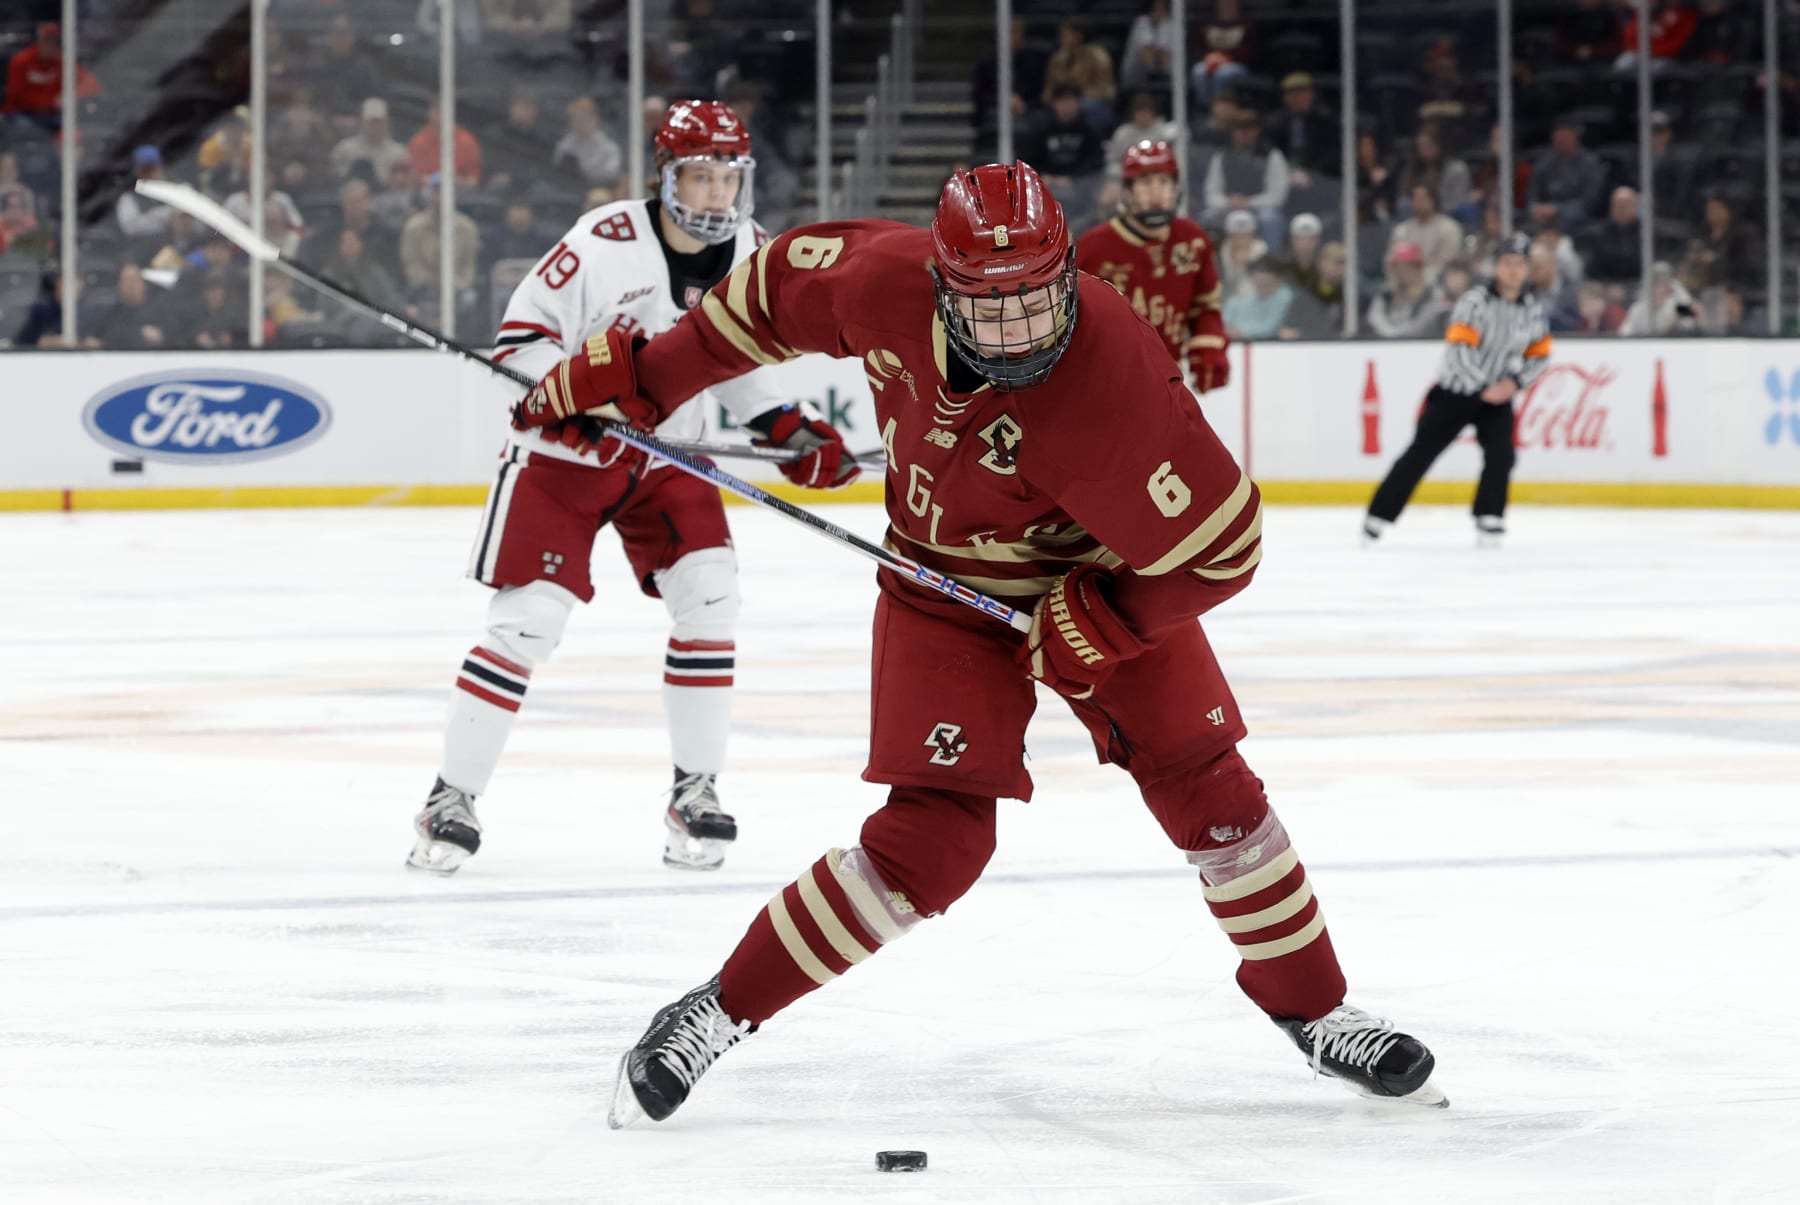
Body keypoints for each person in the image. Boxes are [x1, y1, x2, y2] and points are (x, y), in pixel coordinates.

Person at [516, 161, 1446, 1125]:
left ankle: (1318, 1010)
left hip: (1097, 578)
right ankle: (712, 1012)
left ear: (1067, 273)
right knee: (933, 843)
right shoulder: (886, 280)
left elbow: (1227, 547)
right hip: (940, 590)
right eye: (987, 307)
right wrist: (648, 379)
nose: (1016, 330)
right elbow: (767, 291)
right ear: (943, 285)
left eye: (1036, 301)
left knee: (1213, 789)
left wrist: (1109, 617)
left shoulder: (1116, 375)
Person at [405, 99, 860, 877]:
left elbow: (736, 368)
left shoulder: (753, 251)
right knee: (527, 624)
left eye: (728, 177)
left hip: (663, 458)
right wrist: (572, 399)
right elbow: (520, 342)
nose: (715, 193)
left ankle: (696, 789)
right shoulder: (605, 240)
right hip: (560, 460)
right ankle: (452, 797)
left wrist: (789, 428)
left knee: (712, 596)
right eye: (700, 175)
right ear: (667, 176)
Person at [1364, 232, 1550, 547]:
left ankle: (1489, 516)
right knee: (1421, 452)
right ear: (1496, 267)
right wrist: (1484, 386)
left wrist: (1514, 384)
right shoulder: (1474, 301)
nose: (1514, 270)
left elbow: (1540, 353)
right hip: (1456, 392)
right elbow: (1460, 349)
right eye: (1507, 263)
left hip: (1498, 394)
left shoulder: (1531, 308)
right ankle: (1377, 516)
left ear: (1528, 269)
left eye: (1520, 264)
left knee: (1501, 454)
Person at [1076, 139, 1229, 391]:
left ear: (1176, 189)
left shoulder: (1192, 239)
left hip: (1170, 378)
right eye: (1146, 183)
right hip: (1107, 381)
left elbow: (1205, 304)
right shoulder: (1093, 249)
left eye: (1164, 182)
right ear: (1127, 191)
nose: (1156, 193)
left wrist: (1208, 348)